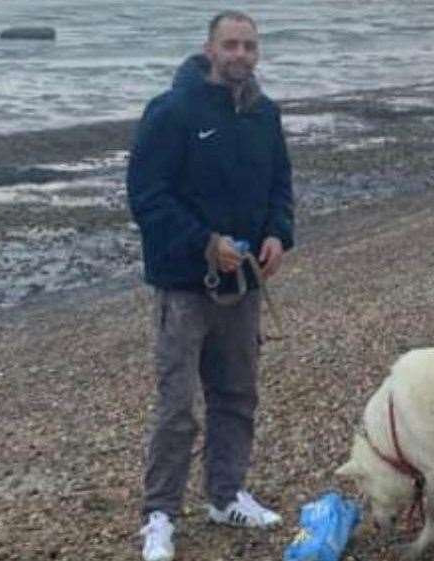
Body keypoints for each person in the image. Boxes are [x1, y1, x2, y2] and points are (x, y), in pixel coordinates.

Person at [126, 9, 294, 561]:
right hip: (184, 283)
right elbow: (147, 196)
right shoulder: (172, 111)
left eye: (249, 46)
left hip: (243, 284)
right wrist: (204, 241)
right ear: (209, 49)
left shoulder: (264, 114)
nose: (240, 54)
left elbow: (279, 185)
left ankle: (225, 495)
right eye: (231, 45)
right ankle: (159, 515)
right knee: (178, 405)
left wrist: (277, 234)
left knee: (237, 395)